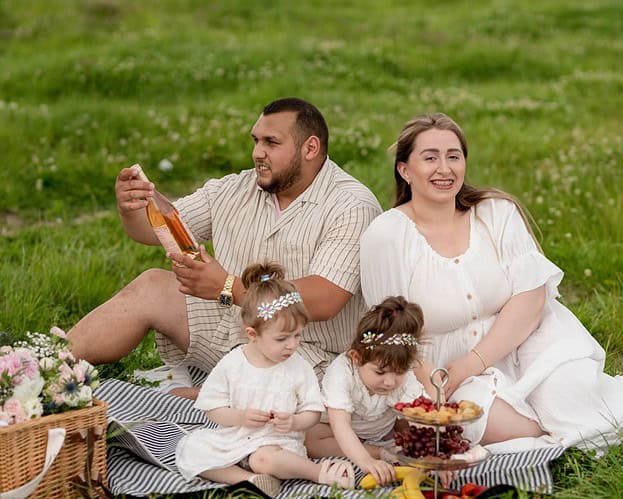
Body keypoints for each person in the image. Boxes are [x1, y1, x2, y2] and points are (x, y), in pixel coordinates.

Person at [359, 113, 623, 455]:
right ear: (404, 170)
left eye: (453, 156)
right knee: (482, 421)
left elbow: (531, 298)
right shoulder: (387, 235)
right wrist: (433, 382)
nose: (444, 169)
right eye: (430, 158)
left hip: (522, 341)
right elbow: (390, 329)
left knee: (569, 394)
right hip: (440, 371)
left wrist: (473, 362)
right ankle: (568, 430)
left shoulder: (495, 213)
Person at [67, 97, 382, 398]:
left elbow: (324, 299)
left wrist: (230, 287)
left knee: (285, 403)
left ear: (310, 147)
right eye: (256, 141)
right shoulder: (237, 187)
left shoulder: (351, 204)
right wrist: (132, 206)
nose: (258, 152)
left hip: (304, 356)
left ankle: (210, 396)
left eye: (271, 143)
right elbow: (159, 230)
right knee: (152, 285)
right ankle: (46, 366)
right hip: (234, 329)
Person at [175, 262, 355, 496]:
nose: (292, 345)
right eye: (282, 338)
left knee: (264, 459)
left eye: (297, 335)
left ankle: (317, 472)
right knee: (191, 448)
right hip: (236, 437)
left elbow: (313, 412)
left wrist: (294, 422)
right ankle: (249, 480)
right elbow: (212, 408)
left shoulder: (298, 367)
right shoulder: (233, 363)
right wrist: (240, 416)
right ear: (253, 334)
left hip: (278, 444)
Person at [305, 296, 434, 486]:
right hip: (340, 431)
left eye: (399, 372)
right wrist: (366, 461)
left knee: (419, 427)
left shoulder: (402, 379)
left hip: (383, 428)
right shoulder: (342, 372)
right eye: (380, 372)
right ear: (356, 358)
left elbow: (425, 417)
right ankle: (376, 451)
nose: (389, 382)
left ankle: (396, 448)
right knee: (311, 440)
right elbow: (341, 425)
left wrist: (435, 453)